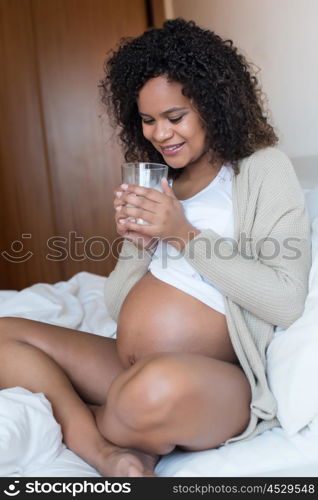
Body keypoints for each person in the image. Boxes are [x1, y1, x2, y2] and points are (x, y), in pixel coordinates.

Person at [0, 18, 310, 477]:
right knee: (4, 332)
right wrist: (142, 246)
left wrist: (181, 233)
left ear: (214, 106)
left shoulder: (262, 171)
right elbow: (116, 302)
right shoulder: (162, 180)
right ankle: (111, 450)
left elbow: (284, 300)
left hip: (209, 380)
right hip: (126, 365)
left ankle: (84, 420)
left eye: (175, 117)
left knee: (148, 390)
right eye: (147, 120)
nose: (160, 135)